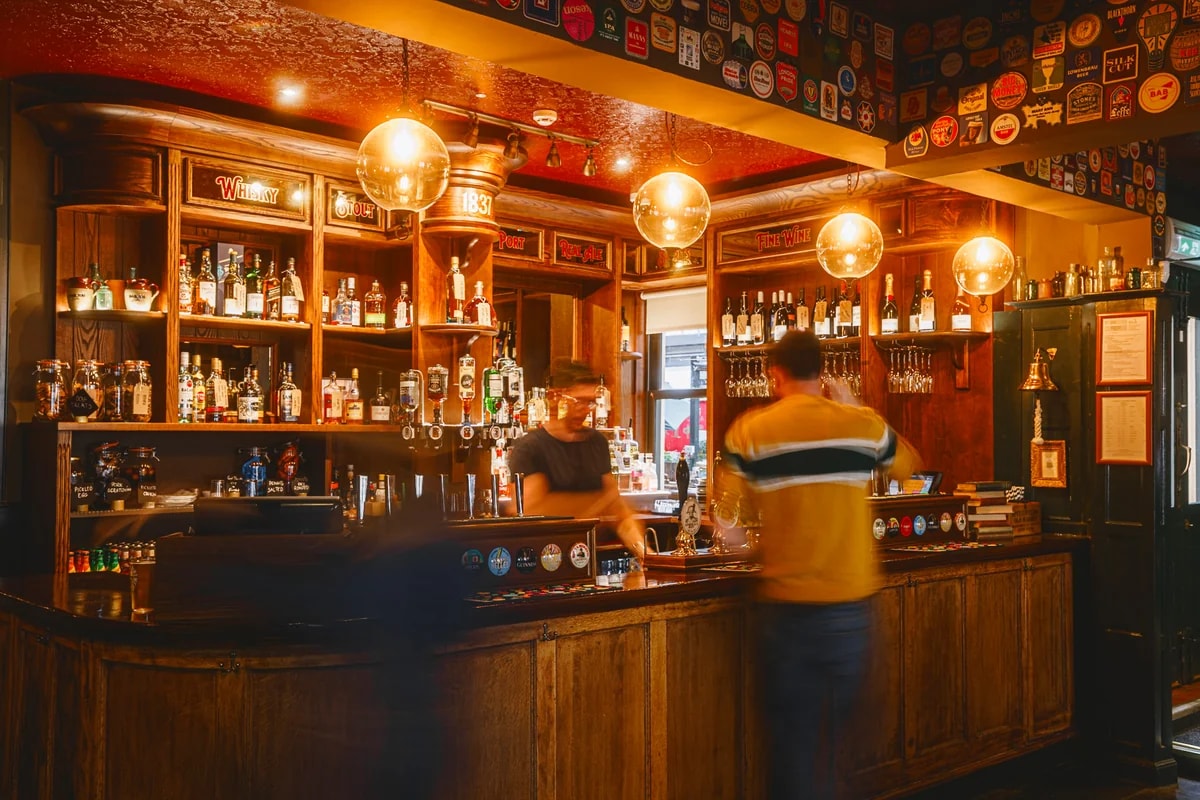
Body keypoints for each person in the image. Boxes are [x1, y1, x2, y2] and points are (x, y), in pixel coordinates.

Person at [719, 329, 920, 800]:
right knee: (841, 744)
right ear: (822, 373)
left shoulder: (750, 431)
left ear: (775, 374)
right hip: (852, 606)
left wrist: (751, 543)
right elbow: (911, 467)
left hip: (785, 609)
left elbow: (727, 526)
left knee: (793, 744)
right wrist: (856, 407)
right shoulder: (860, 425)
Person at [507, 359, 647, 557]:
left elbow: (619, 512)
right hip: (546, 557)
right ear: (554, 397)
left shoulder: (597, 443)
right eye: (578, 401)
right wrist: (598, 501)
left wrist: (645, 553)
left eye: (590, 402)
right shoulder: (531, 447)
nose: (586, 409)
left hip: (587, 556)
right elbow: (529, 511)